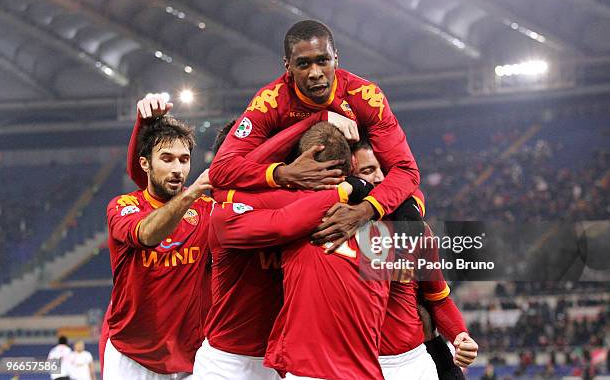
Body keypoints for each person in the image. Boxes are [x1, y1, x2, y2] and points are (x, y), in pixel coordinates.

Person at [209, 19, 420, 251]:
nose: (315, 73)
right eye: (303, 64)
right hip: (291, 198)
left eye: (323, 61)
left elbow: (405, 170)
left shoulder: (365, 97)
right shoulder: (270, 101)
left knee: (413, 209)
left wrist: (364, 211)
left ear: (335, 58)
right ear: (287, 66)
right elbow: (221, 170)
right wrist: (283, 173)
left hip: (355, 195)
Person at [195, 123, 371, 380]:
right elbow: (285, 221)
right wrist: (349, 189)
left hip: (281, 363)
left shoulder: (304, 202)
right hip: (227, 363)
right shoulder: (224, 211)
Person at [104, 94, 214, 379]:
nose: (178, 169)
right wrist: (191, 194)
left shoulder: (206, 210)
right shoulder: (123, 206)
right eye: (166, 159)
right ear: (145, 164)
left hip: (190, 357)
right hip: (133, 355)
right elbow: (146, 234)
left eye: (184, 159)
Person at [351, 140, 478, 379]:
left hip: (414, 361)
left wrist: (460, 335)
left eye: (383, 170)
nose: (379, 178)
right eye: (367, 171)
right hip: (355, 364)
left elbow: (439, 298)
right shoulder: (333, 232)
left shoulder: (417, 231)